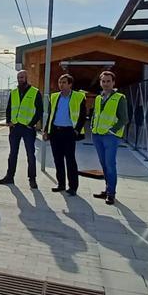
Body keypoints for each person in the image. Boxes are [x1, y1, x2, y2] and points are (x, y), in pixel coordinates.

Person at [43, 74, 87, 195]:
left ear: (70, 84)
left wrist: (76, 130)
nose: (61, 85)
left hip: (69, 132)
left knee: (70, 160)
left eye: (63, 82)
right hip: (55, 132)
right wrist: (46, 130)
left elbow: (83, 116)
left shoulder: (79, 96)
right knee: (58, 160)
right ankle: (61, 184)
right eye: (59, 82)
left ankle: (73, 187)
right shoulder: (54, 96)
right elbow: (51, 115)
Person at [0, 70, 43, 189]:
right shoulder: (13, 92)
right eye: (18, 77)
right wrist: (9, 121)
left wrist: (32, 123)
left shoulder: (35, 92)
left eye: (22, 77)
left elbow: (39, 111)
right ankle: (9, 177)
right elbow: (9, 108)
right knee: (13, 153)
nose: (20, 79)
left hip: (28, 128)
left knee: (30, 154)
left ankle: (32, 179)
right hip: (15, 127)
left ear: (27, 78)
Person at [91, 71, 128, 205]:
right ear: (100, 83)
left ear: (113, 82)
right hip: (97, 136)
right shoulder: (98, 98)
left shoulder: (119, 98)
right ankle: (107, 190)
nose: (106, 84)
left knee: (110, 165)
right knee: (103, 164)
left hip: (110, 137)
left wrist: (112, 130)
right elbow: (95, 114)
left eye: (108, 81)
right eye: (103, 81)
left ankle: (111, 193)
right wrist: (92, 127)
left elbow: (124, 119)